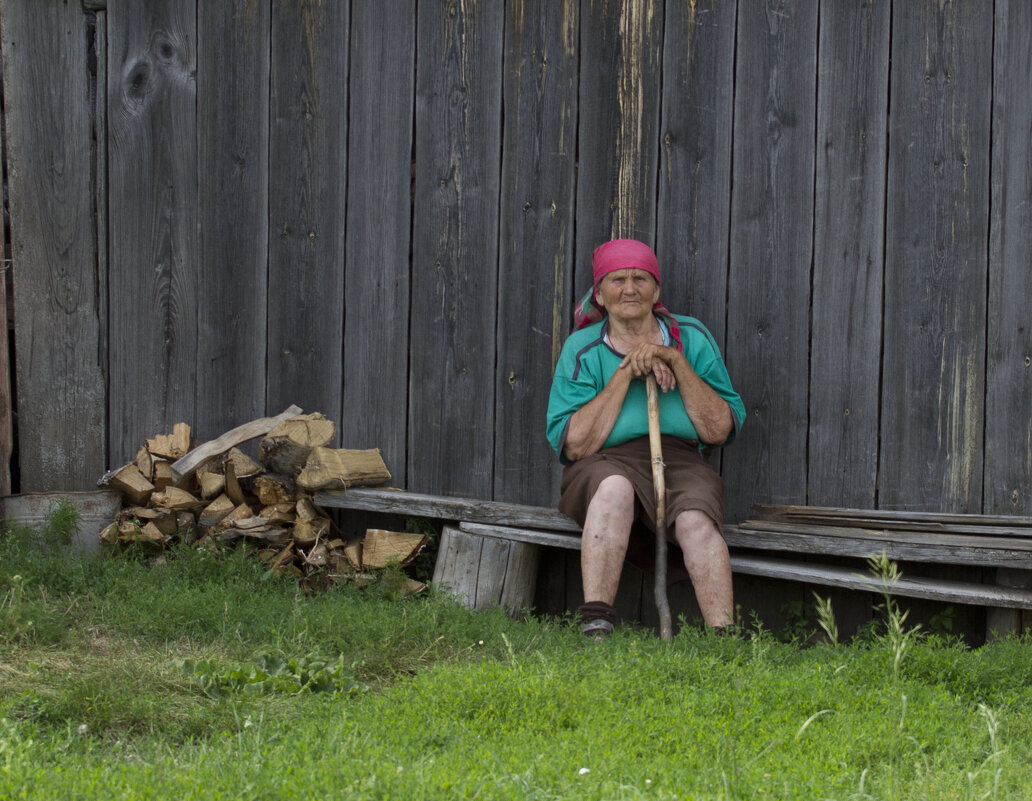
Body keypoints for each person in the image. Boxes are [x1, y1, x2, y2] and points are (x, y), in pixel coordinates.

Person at [546, 238, 745, 638]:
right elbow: (574, 445)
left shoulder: (691, 337)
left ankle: (725, 641)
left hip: (681, 459)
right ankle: (597, 624)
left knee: (694, 518)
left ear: (657, 289)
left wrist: (674, 360)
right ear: (599, 293)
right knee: (614, 488)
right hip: (604, 460)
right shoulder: (582, 349)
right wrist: (627, 371)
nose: (630, 288)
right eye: (617, 279)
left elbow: (719, 429)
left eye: (640, 278)